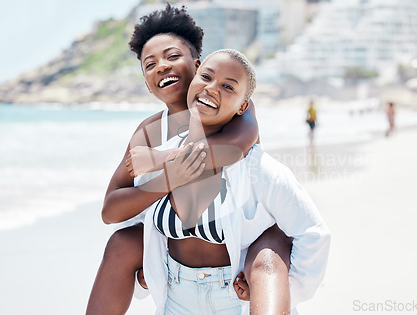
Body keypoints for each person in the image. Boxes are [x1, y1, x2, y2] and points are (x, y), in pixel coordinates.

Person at [86, 5, 295, 314]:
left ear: (197, 65)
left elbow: (230, 150)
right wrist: (167, 180)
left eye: (172, 57)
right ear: (146, 83)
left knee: (271, 247)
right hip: (178, 280)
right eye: (150, 64)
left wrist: (160, 159)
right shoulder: (149, 131)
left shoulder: (236, 112)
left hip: (237, 277)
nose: (161, 67)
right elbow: (110, 210)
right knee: (121, 242)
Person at [135, 48, 330, 314]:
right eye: (206, 76)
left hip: (237, 301)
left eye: (228, 86)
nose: (212, 88)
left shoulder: (258, 169)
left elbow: (313, 234)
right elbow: (133, 222)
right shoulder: (157, 159)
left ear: (243, 106)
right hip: (176, 299)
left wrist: (288, 290)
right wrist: (147, 274)